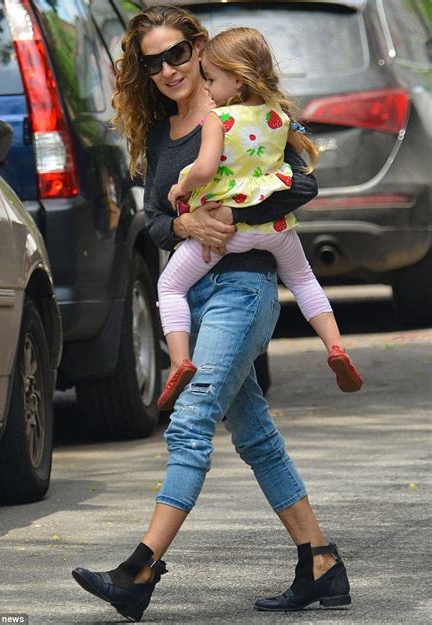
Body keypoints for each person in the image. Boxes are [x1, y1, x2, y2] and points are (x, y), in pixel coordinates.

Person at [71, 6, 352, 622]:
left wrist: (232, 218)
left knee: (191, 419)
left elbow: (302, 185)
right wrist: (181, 222)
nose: (169, 69)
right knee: (253, 434)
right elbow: (151, 220)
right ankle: (321, 562)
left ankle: (139, 569)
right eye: (154, 62)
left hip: (242, 291)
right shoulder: (160, 134)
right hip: (191, 295)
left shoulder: (245, 112)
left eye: (177, 54)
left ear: (199, 50)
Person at [156, 26, 362, 411]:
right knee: (303, 280)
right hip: (277, 230)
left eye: (212, 79)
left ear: (236, 81)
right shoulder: (278, 117)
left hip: (227, 233)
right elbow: (294, 174)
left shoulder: (219, 119)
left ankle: (178, 361)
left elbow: (203, 170)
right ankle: (335, 346)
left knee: (169, 287)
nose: (208, 89)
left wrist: (180, 189)